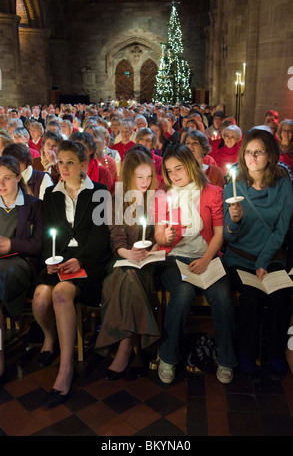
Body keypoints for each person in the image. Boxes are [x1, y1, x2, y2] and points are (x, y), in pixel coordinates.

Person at [32, 140, 111, 407]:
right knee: (40, 300)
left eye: (70, 163)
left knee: (62, 293)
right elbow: (47, 236)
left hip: (89, 263)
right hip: (59, 261)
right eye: (60, 163)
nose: (64, 168)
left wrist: (80, 259)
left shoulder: (100, 192)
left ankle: (65, 370)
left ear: (83, 165)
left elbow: (101, 237)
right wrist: (49, 260)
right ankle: (49, 336)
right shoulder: (51, 195)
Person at [153, 144, 237, 385]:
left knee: (222, 296)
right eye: (169, 171)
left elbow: (219, 234)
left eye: (179, 168)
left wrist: (205, 259)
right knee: (182, 293)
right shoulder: (163, 196)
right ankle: (168, 356)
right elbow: (159, 236)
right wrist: (164, 237)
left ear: (191, 165)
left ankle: (226, 359)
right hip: (174, 258)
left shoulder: (212, 192)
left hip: (207, 255)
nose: (174, 175)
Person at [223, 128, 293, 380]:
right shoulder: (233, 186)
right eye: (248, 152)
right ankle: (245, 353)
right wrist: (235, 222)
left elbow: (280, 230)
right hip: (239, 258)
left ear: (270, 155)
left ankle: (275, 353)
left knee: (282, 296)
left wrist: (263, 262)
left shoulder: (283, 186)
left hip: (271, 258)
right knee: (251, 296)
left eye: (258, 152)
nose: (252, 157)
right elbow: (229, 237)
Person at [95, 148, 160, 379]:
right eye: (139, 177)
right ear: (130, 176)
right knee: (124, 275)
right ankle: (134, 347)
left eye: (149, 176)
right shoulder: (115, 201)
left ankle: (123, 348)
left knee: (130, 277)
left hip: (149, 261)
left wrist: (152, 249)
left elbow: (159, 238)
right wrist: (126, 253)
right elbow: (116, 240)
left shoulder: (158, 200)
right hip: (122, 257)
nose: (145, 182)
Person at [0, 155, 42, 382]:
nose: (1, 185)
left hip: (20, 261)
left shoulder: (33, 205)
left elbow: (38, 244)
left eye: (7, 178)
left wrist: (11, 244)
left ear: (18, 177)